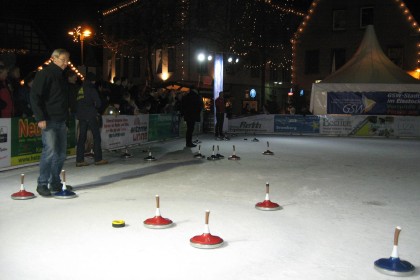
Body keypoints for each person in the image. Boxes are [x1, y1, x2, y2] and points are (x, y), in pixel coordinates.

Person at [30, 49, 73, 197]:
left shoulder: (62, 76)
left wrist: (66, 119)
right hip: (48, 120)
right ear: (53, 59)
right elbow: (35, 96)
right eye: (63, 60)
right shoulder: (45, 73)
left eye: (67, 60)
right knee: (49, 151)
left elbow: (62, 100)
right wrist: (40, 117)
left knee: (61, 154)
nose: (66, 63)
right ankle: (42, 184)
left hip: (61, 120)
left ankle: (55, 182)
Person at [75, 72, 108, 167]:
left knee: (82, 138)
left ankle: (79, 160)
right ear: (92, 80)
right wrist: (94, 106)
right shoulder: (91, 89)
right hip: (90, 115)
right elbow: (98, 103)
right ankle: (98, 159)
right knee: (96, 136)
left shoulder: (80, 89)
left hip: (81, 116)